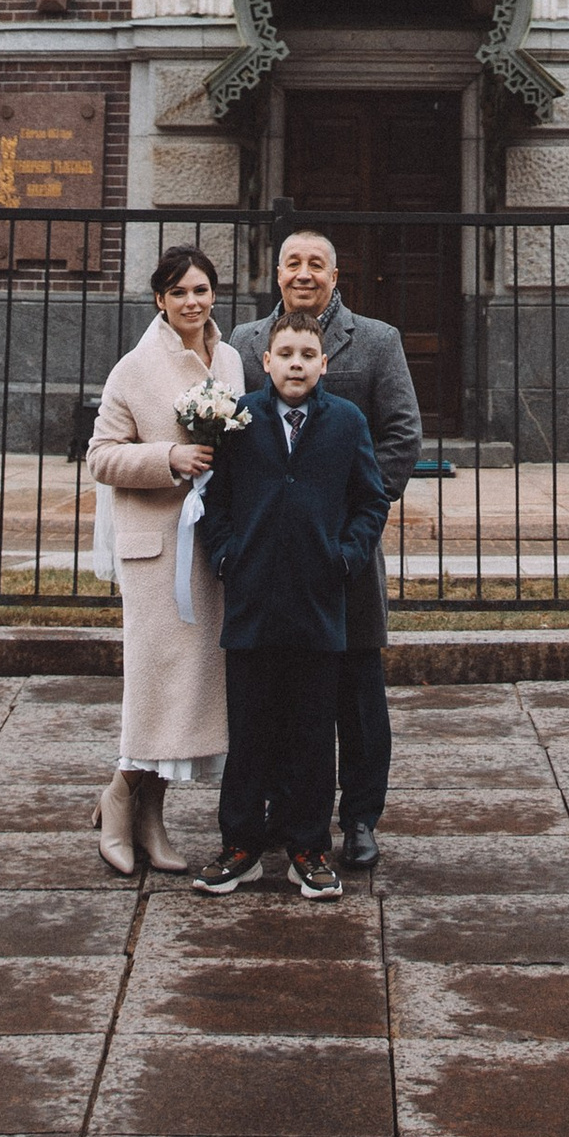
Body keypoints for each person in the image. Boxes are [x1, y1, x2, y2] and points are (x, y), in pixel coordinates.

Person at [231, 226, 422, 871]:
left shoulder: (377, 341)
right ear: (276, 273)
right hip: (273, 564)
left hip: (343, 557)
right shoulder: (247, 342)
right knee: (286, 695)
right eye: (293, 263)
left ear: (335, 277)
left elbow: (401, 434)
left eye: (317, 264)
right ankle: (290, 813)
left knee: (358, 694)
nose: (304, 273)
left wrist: (349, 529)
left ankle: (362, 817)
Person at [194, 315, 387, 899]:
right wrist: (227, 556)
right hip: (252, 601)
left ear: (324, 364)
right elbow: (216, 500)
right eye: (286, 353)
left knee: (310, 728)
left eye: (308, 353)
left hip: (318, 602)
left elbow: (369, 500)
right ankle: (242, 844)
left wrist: (347, 557)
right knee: (250, 727)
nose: (297, 363)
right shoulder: (240, 419)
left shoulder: (346, 422)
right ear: (268, 362)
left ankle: (308, 846)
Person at [84, 244, 243, 877]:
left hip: (213, 548)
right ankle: (119, 800)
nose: (191, 302)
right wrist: (167, 460)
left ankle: (153, 816)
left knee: (194, 689)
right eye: (179, 293)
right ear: (160, 299)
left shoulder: (229, 358)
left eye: (201, 290)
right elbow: (100, 456)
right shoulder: (134, 368)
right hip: (157, 552)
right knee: (154, 685)